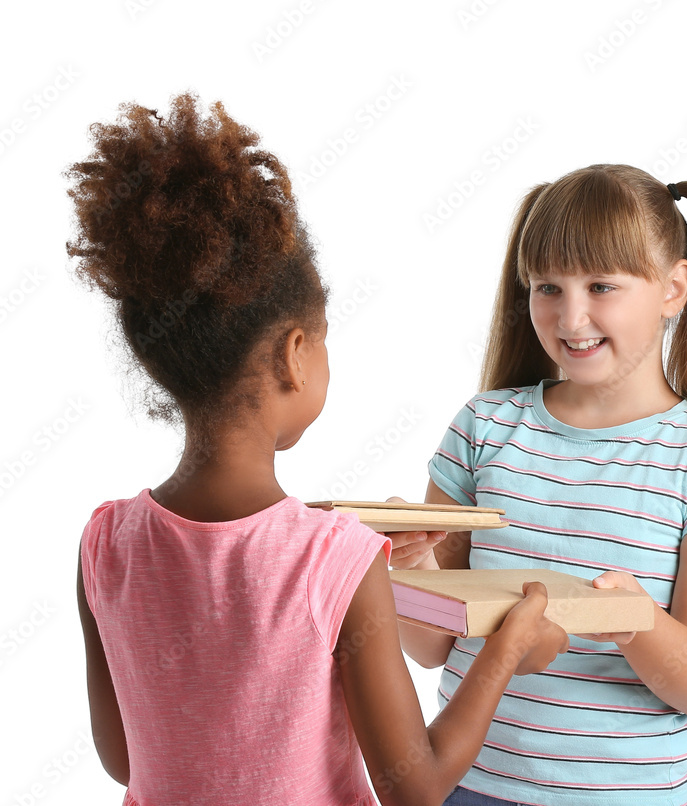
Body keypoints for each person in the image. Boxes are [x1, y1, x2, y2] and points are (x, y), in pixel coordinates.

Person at [68, 93, 569, 806]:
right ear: (294, 356)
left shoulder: (104, 543)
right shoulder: (336, 557)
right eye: (325, 339)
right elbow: (417, 787)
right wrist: (504, 650)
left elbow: (126, 758)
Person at [393, 165, 687, 806]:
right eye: (548, 287)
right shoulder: (484, 428)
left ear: (674, 288)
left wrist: (636, 623)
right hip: (467, 784)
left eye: (601, 285)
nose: (571, 316)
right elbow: (430, 647)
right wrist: (412, 563)